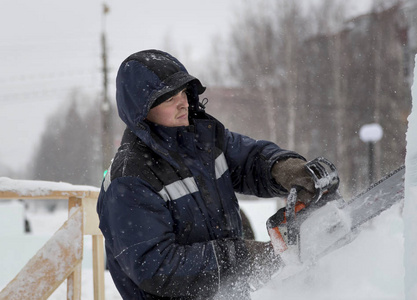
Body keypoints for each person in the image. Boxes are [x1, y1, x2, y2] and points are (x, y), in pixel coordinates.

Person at [97, 49, 319, 299]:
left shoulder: (203, 139)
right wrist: (242, 258)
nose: (182, 102)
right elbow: (156, 267)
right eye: (169, 98)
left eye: (183, 92)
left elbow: (250, 159)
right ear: (141, 109)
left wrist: (286, 169)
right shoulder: (130, 178)